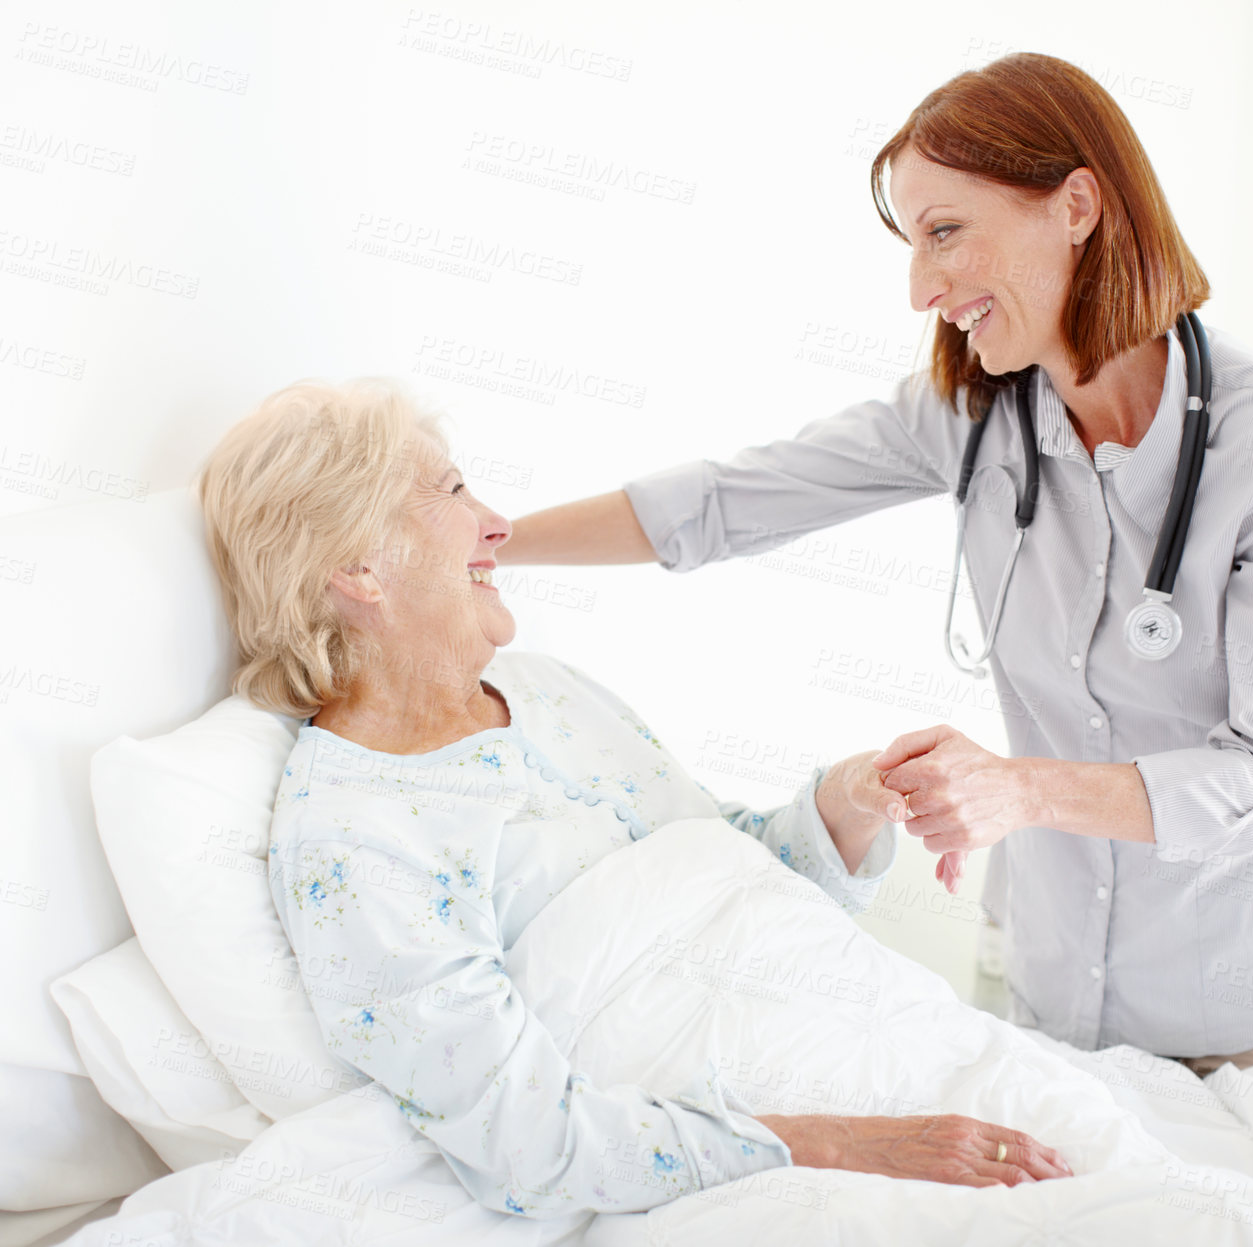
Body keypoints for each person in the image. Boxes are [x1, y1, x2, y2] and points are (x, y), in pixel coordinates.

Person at [496, 52, 1253, 1075]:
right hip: (1058, 995)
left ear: (1079, 206)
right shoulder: (973, 415)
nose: (923, 286)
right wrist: (489, 541)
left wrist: (1021, 790)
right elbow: (725, 501)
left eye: (945, 232)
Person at [196, 378, 1071, 1219]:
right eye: (455, 489)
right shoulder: (356, 836)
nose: (498, 526)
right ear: (359, 566)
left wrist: (852, 798)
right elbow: (528, 1145)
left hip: (877, 1039)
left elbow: (737, 876)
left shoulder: (546, 689)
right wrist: (854, 1143)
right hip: (769, 1141)